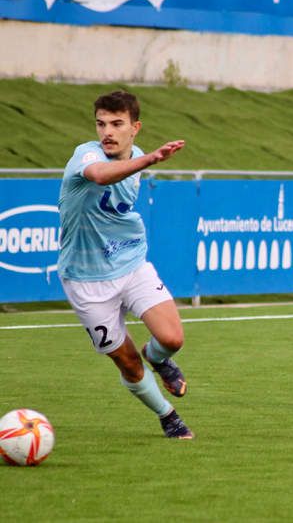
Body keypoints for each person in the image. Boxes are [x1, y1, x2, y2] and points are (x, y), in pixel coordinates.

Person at [58, 91, 193, 439]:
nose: (108, 132)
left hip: (131, 262)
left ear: (135, 127)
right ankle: (168, 416)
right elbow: (102, 176)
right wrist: (150, 159)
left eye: (117, 124)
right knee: (128, 362)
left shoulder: (134, 159)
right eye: (102, 123)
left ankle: (159, 358)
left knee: (172, 338)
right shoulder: (85, 156)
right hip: (86, 281)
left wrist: (144, 160)